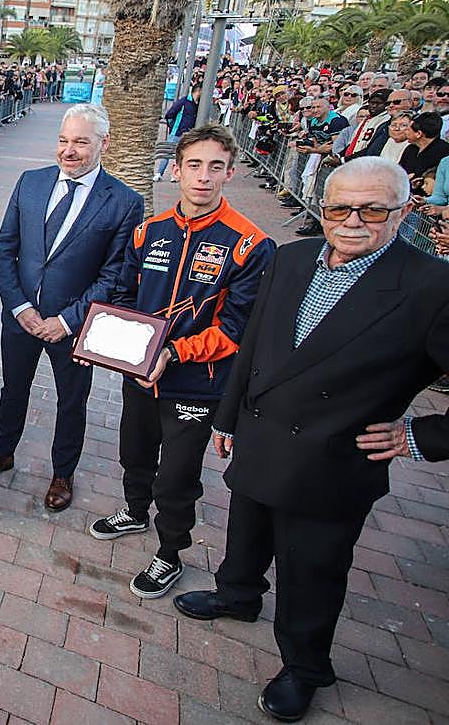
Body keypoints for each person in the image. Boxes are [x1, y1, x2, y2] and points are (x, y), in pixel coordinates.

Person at [173, 158, 448, 723]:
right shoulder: (292, 256)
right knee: (244, 531)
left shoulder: (432, 286)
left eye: (372, 209)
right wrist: (226, 418)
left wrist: (420, 436)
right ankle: (238, 595)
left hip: (333, 460)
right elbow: (253, 345)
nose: (352, 221)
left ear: (403, 211)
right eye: (338, 207)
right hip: (262, 434)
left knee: (312, 570)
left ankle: (304, 665)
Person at [89, 125, 275, 599]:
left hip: (196, 384)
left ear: (230, 173)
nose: (203, 177)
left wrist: (172, 352)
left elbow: (237, 329)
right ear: (175, 169)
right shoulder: (148, 232)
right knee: (134, 450)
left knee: (176, 477)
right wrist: (110, 340)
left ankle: (170, 552)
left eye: (215, 167)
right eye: (194, 165)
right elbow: (125, 296)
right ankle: (133, 512)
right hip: (139, 375)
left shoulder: (249, 245)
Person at [0, 103, 144, 512]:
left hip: (75, 327)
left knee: (72, 402)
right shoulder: (30, 183)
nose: (69, 151)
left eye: (81, 142)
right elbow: (5, 250)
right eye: (64, 140)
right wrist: (19, 308)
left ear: (104, 143)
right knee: (13, 389)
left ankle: (62, 473)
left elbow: (114, 276)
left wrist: (66, 321)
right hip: (21, 319)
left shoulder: (124, 202)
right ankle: (3, 451)